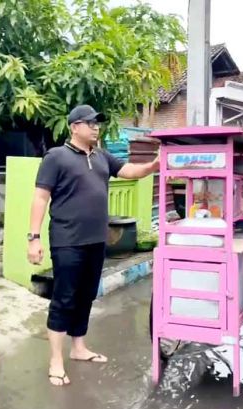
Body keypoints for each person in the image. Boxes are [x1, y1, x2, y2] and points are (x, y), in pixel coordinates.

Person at [27, 104, 159, 386]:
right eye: (90, 122)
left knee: (86, 295)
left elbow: (129, 171)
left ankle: (78, 349)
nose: (96, 127)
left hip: (96, 240)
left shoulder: (101, 157)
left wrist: (154, 166)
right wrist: (34, 238)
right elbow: (40, 198)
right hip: (67, 241)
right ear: (74, 127)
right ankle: (56, 360)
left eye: (98, 122)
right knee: (64, 298)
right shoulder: (56, 157)